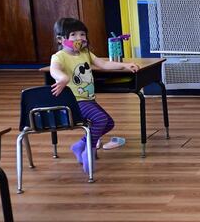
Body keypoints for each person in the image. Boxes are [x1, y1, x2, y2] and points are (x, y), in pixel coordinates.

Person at [49, 18, 139, 172]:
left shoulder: (85, 53)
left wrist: (124, 65)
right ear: (61, 39)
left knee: (109, 123)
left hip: (88, 99)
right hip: (75, 102)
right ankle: (88, 149)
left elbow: (103, 64)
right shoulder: (59, 56)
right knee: (100, 119)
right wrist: (62, 78)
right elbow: (54, 69)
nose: (79, 38)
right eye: (73, 35)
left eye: (82, 34)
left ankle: (80, 145)